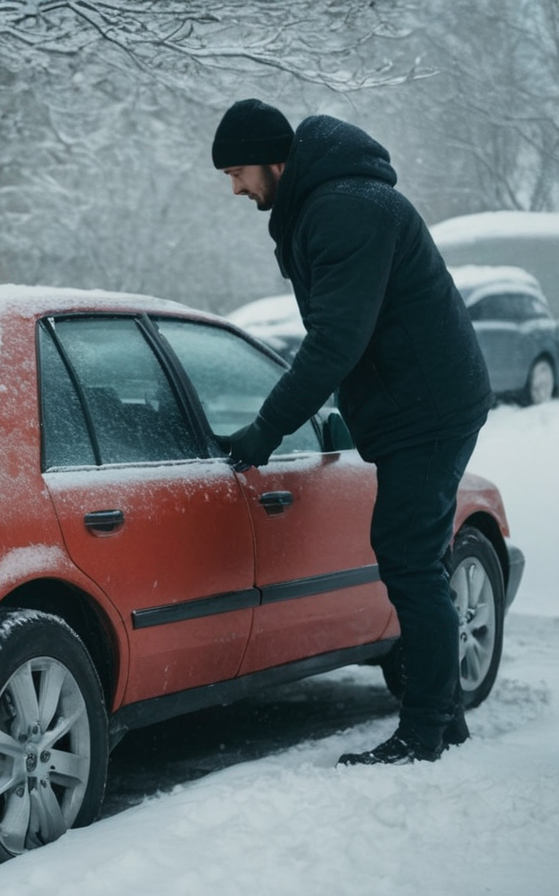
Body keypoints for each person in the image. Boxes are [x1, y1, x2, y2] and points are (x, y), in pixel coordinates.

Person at [211, 99, 494, 765]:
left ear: (272, 161)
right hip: (422, 402)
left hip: (428, 409)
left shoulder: (345, 209)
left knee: (409, 558)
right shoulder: (330, 201)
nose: (235, 189)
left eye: (238, 172)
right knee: (416, 558)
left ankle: (425, 731)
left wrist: (265, 430)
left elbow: (336, 341)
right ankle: (444, 719)